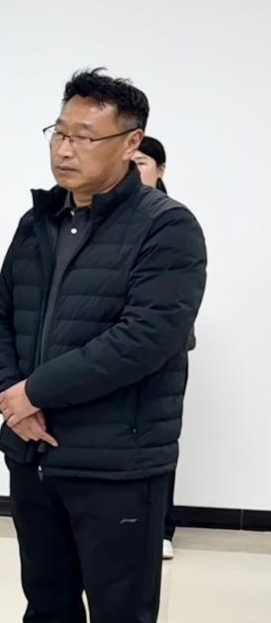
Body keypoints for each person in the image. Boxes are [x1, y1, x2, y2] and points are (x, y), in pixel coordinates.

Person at [0, 70, 205, 623]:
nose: (65, 149)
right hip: (35, 452)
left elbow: (147, 337)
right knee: (46, 603)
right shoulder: (37, 222)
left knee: (121, 615)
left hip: (120, 459)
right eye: (59, 132)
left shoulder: (168, 228)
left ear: (130, 143)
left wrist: (36, 391)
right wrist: (9, 396)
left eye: (84, 136)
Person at [131, 135, 186, 560]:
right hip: (111, 347)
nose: (134, 171)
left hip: (161, 347)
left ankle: (162, 527)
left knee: (157, 435)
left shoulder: (172, 221)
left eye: (142, 163)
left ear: (160, 169)